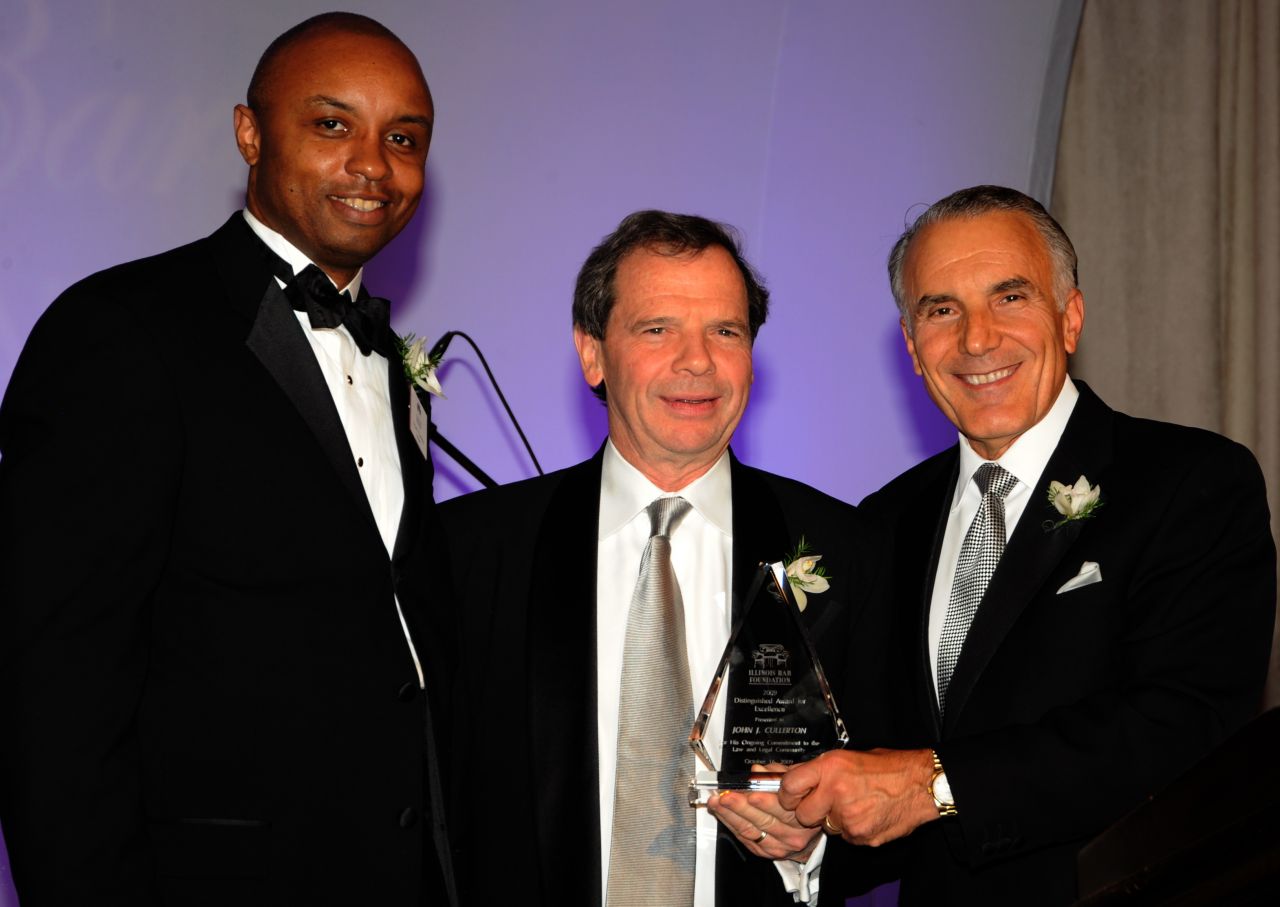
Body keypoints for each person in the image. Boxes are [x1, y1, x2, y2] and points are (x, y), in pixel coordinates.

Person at [0, 13, 456, 905]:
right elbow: (51, 689)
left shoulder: (393, 362)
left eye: (403, 139)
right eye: (333, 124)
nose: (373, 164)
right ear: (250, 132)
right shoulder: (121, 329)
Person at [762, 185, 1276, 904]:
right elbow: (876, 770)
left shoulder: (1189, 481)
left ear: (1070, 318)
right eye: (942, 309)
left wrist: (934, 784)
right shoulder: (885, 520)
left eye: (1010, 297)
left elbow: (1185, 726)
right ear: (912, 346)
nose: (977, 339)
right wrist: (800, 830)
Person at [440, 210, 888, 906]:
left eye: (726, 331)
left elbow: (896, 796)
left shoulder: (847, 549)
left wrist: (817, 844)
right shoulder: (473, 550)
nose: (697, 360)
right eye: (658, 330)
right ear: (592, 353)